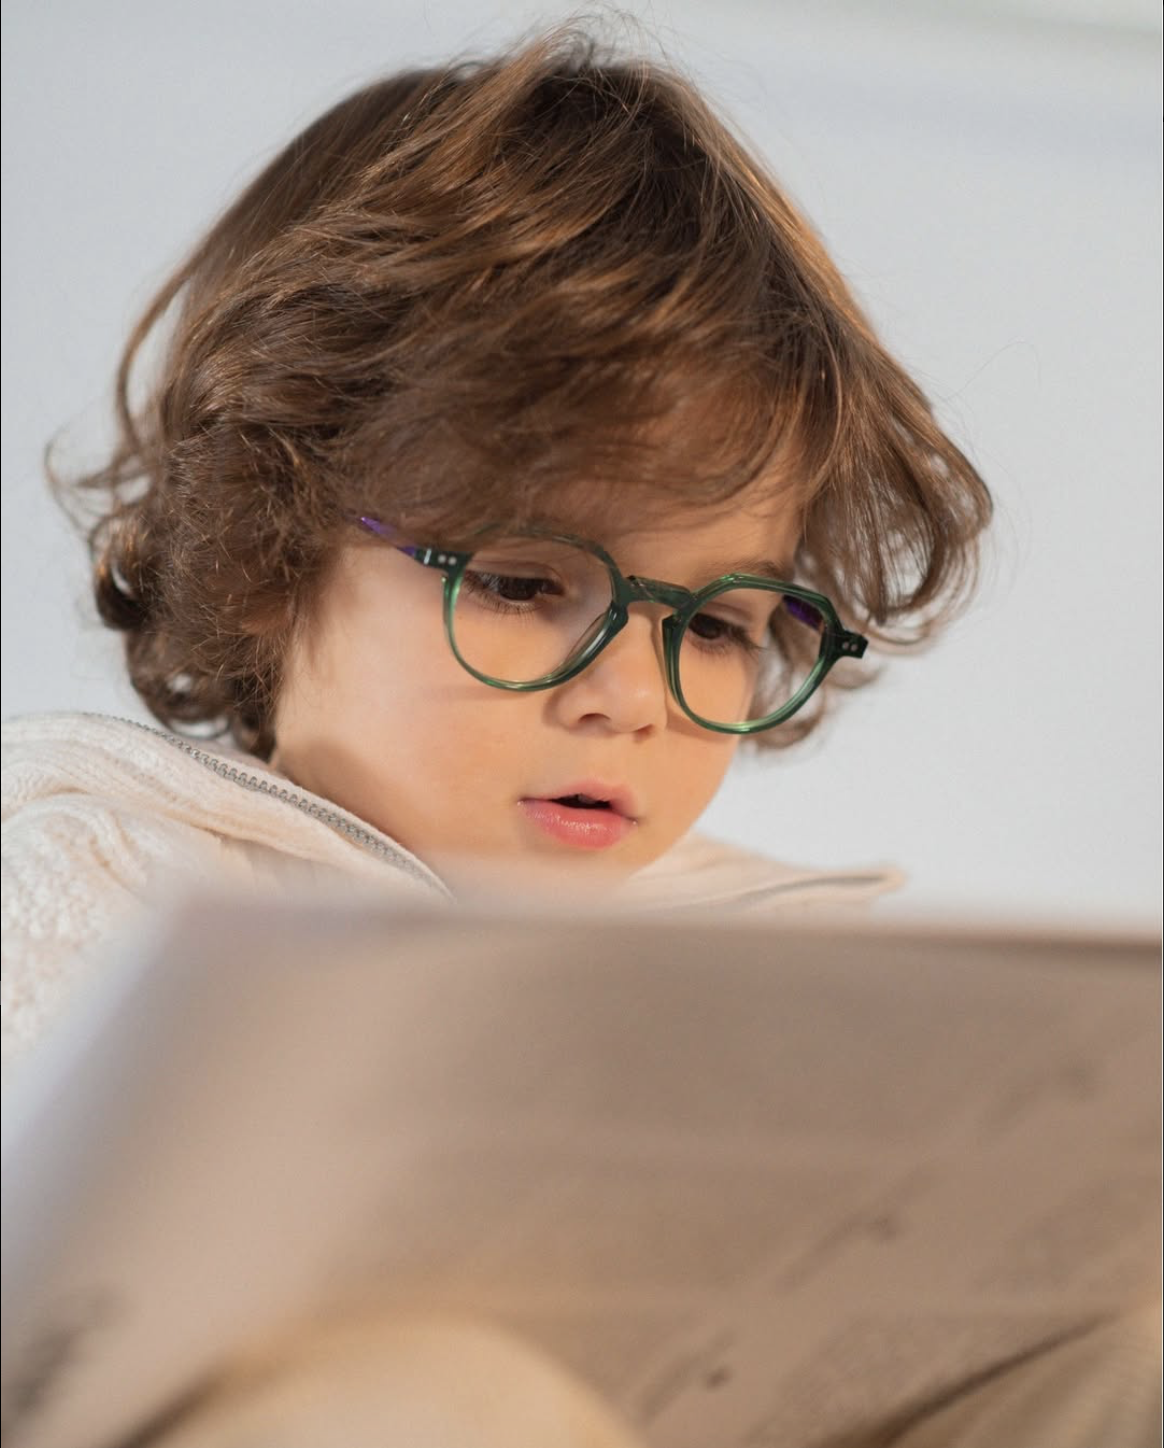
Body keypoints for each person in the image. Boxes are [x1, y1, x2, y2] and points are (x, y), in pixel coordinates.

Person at [1, 28, 990, 1073]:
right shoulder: (103, 909)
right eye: (522, 583)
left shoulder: (759, 960)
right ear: (264, 551)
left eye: (711, 625)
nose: (633, 700)